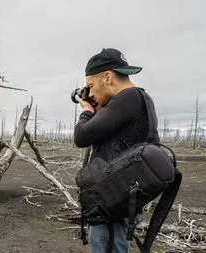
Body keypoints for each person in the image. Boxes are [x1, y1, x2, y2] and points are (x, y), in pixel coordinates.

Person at [74, 48, 160, 253]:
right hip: (121, 198)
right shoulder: (141, 100)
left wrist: (86, 111)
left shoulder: (128, 98)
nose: (91, 92)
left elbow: (82, 137)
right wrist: (99, 109)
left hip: (113, 203)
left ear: (107, 77)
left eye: (90, 85)